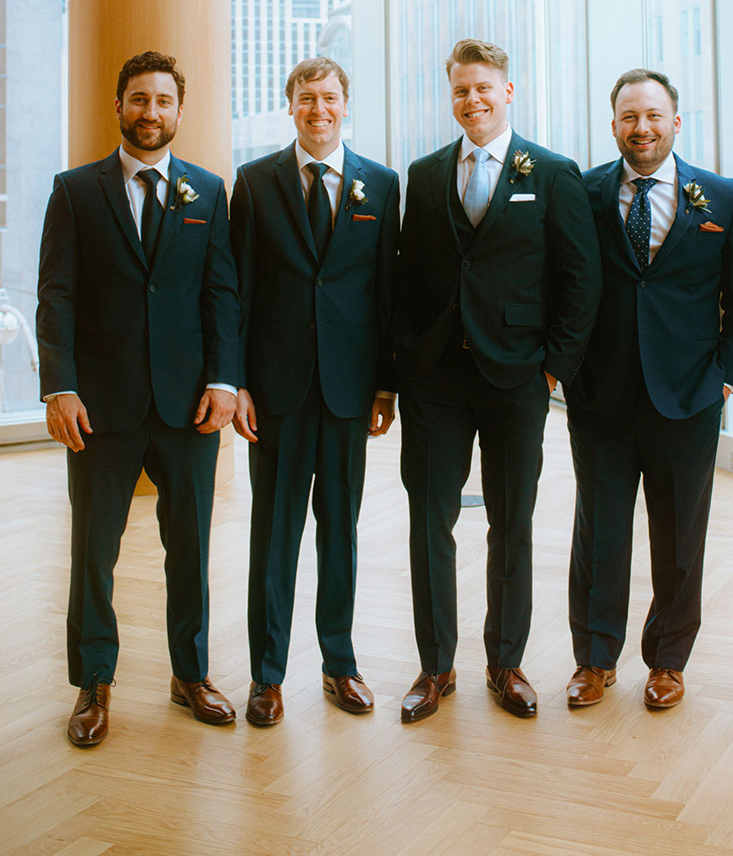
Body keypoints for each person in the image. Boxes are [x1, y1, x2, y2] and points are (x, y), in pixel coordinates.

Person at [393, 38, 601, 722]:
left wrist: (551, 373)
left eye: (484, 88)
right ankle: (435, 667)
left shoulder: (552, 170)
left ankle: (505, 662)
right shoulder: (423, 176)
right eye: (460, 91)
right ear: (450, 96)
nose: (472, 101)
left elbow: (580, 281)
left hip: (517, 380)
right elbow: (408, 275)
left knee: (511, 522)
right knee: (431, 521)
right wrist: (407, 361)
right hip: (436, 381)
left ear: (508, 92)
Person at [37, 50, 240, 747]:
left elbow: (222, 295)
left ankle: (191, 676)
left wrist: (222, 381)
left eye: (162, 101)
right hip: (100, 407)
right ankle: (94, 684)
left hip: (189, 409)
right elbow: (56, 295)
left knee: (189, 550)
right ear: (118, 107)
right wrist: (59, 387)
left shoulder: (208, 193)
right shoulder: (74, 191)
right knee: (94, 552)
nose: (150, 112)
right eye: (138, 100)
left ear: (180, 111)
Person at [564, 69, 733, 711]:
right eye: (628, 117)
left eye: (653, 116)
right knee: (601, 530)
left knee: (680, 534)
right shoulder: (583, 191)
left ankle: (668, 660)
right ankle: (594, 659)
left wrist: (727, 375)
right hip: (600, 395)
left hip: (690, 396)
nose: (640, 128)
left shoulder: (723, 198)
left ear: (676, 121)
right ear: (613, 124)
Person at [230, 57, 399, 727]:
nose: (318, 108)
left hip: (349, 393)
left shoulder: (380, 186)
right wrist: (236, 382)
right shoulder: (255, 181)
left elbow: (387, 295)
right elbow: (238, 292)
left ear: (345, 104)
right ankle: (267, 676)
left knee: (341, 534)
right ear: (290, 106)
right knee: (274, 536)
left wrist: (386, 384)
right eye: (307, 98)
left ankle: (340, 663)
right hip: (275, 393)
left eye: (329, 97)